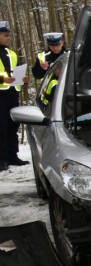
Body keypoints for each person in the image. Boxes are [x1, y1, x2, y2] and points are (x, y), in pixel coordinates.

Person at [0, 20, 30, 171]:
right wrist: (2, 79)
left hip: (12, 94)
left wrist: (23, 80)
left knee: (12, 126)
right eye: (6, 35)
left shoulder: (12, 53)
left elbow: (17, 71)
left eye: (9, 35)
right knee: (1, 128)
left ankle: (13, 156)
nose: (9, 38)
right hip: (0, 95)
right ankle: (1, 159)